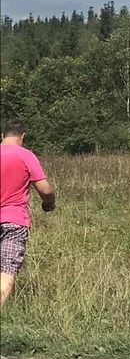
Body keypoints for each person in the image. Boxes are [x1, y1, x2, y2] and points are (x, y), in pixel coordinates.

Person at [0, 120, 55, 306]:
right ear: (22, 136)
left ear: (2, 135)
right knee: (7, 267)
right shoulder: (26, 156)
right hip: (13, 221)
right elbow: (45, 189)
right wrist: (49, 204)